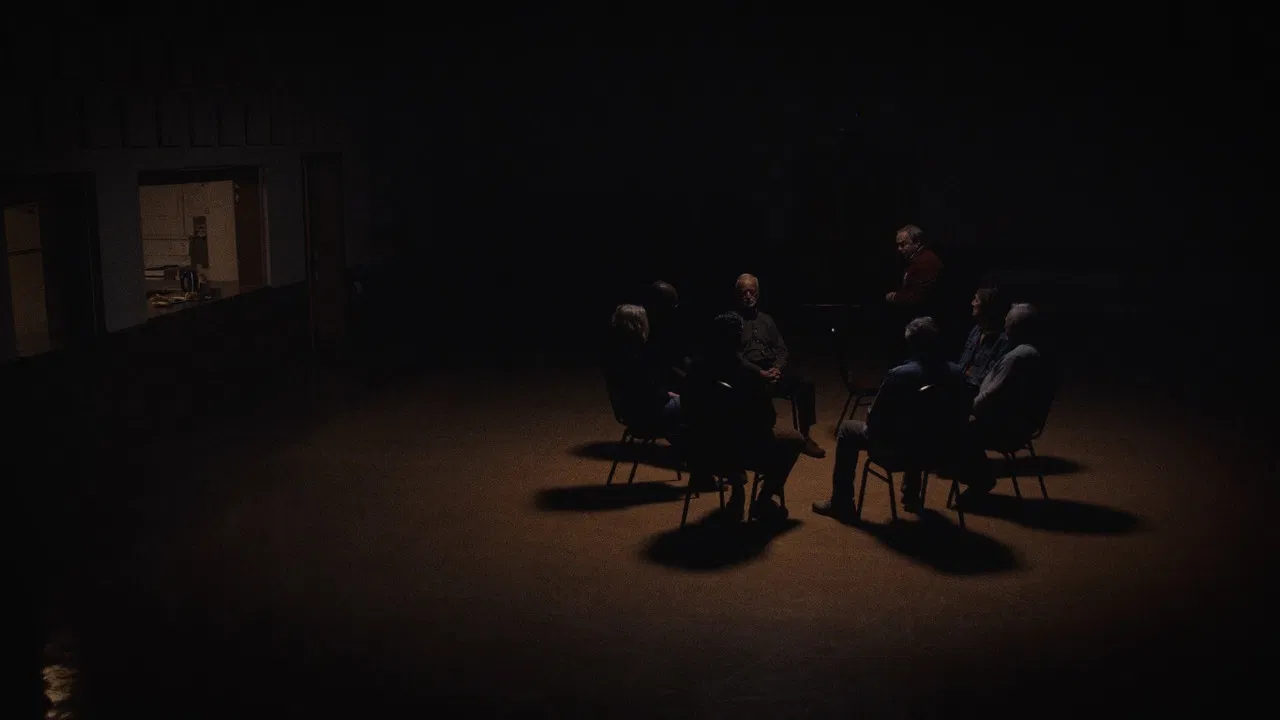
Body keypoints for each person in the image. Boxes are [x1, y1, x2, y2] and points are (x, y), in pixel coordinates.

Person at [813, 317, 971, 518]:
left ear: (911, 345)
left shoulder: (899, 375)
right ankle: (911, 495)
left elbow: (875, 417)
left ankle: (841, 502)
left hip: (897, 453)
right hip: (943, 452)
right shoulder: (957, 373)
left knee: (847, 429)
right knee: (922, 426)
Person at [683, 312, 807, 522]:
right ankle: (764, 500)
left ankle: (737, 493)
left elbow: (687, 408)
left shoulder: (695, 368)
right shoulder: (748, 376)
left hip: (700, 451)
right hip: (740, 451)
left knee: (728, 433)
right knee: (794, 440)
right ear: (738, 339)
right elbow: (767, 420)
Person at [732, 273, 826, 458]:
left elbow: (781, 350)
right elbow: (734, 356)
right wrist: (760, 373)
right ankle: (756, 442)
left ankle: (805, 436)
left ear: (758, 293)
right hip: (749, 374)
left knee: (805, 383)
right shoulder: (733, 322)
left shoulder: (767, 320)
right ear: (737, 295)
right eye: (744, 292)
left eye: (752, 291)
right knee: (748, 392)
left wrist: (777, 368)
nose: (748, 296)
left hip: (771, 370)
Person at [603, 304, 681, 436]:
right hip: (647, 416)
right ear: (638, 325)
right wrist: (668, 395)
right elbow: (649, 395)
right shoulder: (638, 357)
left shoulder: (614, 353)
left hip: (628, 414)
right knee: (694, 402)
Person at [958, 285, 1012, 393]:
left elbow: (991, 375)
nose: (972, 303)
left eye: (976, 300)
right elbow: (963, 363)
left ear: (987, 306)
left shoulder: (1003, 340)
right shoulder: (976, 330)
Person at [642, 280, 693, 393]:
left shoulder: (671, 325)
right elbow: (660, 366)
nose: (675, 308)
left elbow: (681, 355)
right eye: (670, 305)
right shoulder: (643, 332)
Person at [884, 225, 943, 311]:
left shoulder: (926, 262)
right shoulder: (916, 260)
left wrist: (894, 297)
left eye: (903, 244)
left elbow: (919, 297)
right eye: (898, 245)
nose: (899, 249)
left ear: (917, 242)